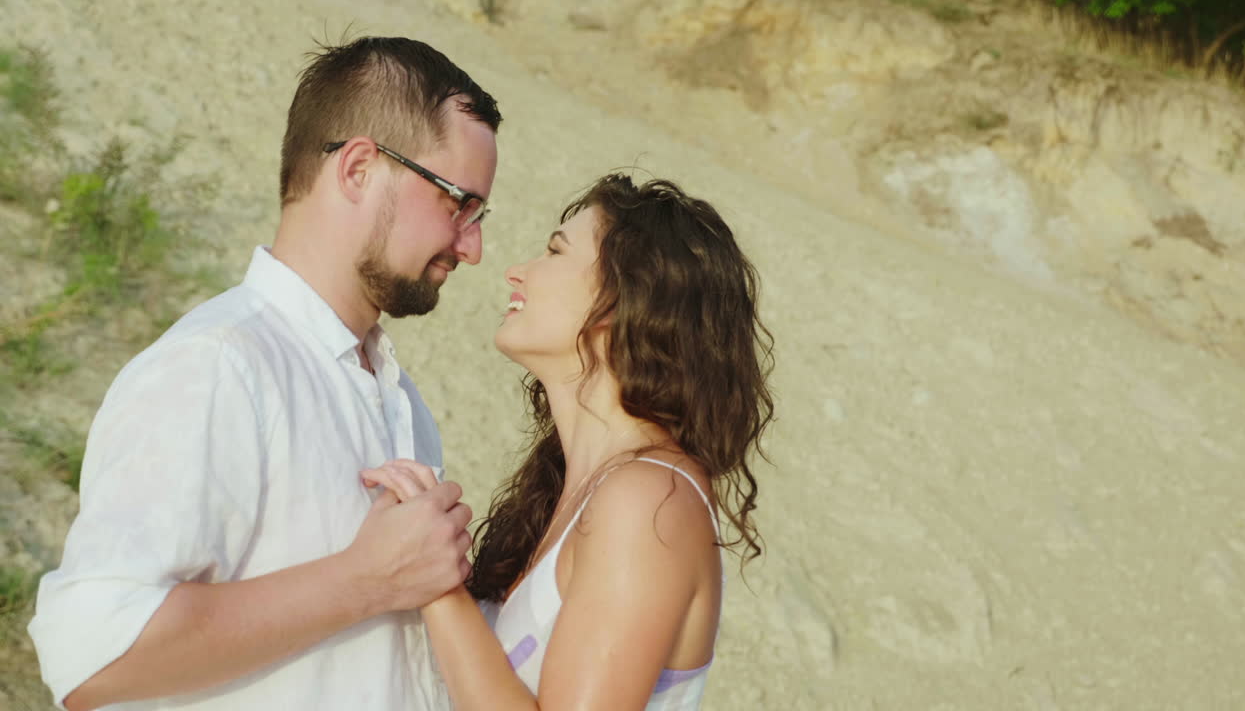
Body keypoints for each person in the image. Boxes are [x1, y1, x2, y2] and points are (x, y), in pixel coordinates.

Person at [27, 36, 500, 711]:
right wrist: (365, 579)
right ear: (360, 168)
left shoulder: (400, 401)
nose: (472, 246)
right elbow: (91, 655)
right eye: (459, 203)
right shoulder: (218, 366)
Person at [362, 173, 775, 710]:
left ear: (620, 300)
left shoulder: (649, 500)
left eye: (554, 252)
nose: (516, 271)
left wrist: (436, 584)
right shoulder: (583, 487)